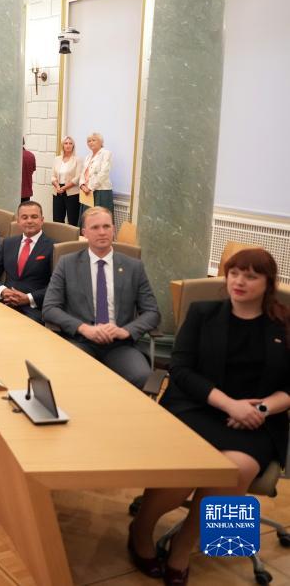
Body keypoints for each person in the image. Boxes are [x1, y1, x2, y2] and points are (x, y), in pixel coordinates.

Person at [129, 248, 290, 585]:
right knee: (187, 470)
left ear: (268, 283)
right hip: (197, 406)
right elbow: (181, 369)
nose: (239, 281)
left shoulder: (283, 323)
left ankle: (184, 546)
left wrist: (259, 409)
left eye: (251, 276)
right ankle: (140, 530)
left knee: (238, 469)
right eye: (234, 273)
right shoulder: (203, 313)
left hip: (256, 420)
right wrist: (231, 405)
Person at [42, 206, 160, 388]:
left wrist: (126, 331)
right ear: (84, 232)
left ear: (113, 230)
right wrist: (83, 328)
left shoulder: (133, 267)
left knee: (142, 377)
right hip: (80, 341)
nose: (102, 232)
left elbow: (152, 312)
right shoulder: (67, 263)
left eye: (106, 226)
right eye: (95, 227)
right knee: (70, 375)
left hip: (120, 344)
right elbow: (50, 308)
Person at [0, 201, 55, 322]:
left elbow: (57, 286)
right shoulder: (8, 243)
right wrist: (2, 290)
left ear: (42, 220)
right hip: (3, 302)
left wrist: (28, 298)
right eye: (24, 217)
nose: (29, 221)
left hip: (32, 309)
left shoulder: (54, 247)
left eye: (34, 217)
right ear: (18, 221)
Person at [80, 132, 113, 220]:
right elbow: (83, 173)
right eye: (89, 141)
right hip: (86, 192)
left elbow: (104, 173)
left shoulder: (106, 153)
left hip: (101, 191)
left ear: (101, 142)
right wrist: (82, 185)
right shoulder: (88, 156)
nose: (91, 142)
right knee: (87, 218)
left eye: (93, 140)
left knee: (99, 219)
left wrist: (90, 187)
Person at [51, 135, 81, 226]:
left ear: (73, 146)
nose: (68, 145)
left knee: (73, 219)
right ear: (62, 145)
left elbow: (77, 178)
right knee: (57, 219)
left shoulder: (78, 160)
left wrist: (64, 188)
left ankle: (72, 236)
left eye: (70, 143)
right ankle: (59, 235)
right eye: (66, 143)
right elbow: (53, 176)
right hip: (58, 191)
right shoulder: (57, 159)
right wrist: (58, 186)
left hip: (72, 192)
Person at [21, 138, 36, 203]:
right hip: (26, 192)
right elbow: (32, 171)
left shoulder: (11, 156)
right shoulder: (31, 155)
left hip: (12, 192)